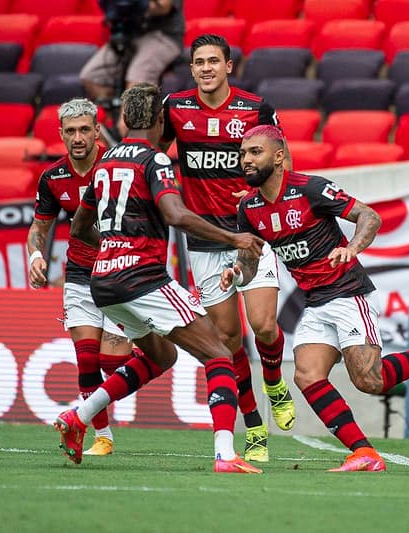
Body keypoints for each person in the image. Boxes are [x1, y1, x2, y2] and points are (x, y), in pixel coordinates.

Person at [221, 125, 409, 471]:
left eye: (255, 152)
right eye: (243, 153)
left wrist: (351, 247)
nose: (246, 159)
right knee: (307, 376)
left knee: (369, 381)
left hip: (346, 293)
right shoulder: (249, 207)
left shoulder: (310, 189)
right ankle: (364, 453)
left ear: (279, 157)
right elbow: (249, 261)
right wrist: (235, 274)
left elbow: (369, 216)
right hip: (313, 302)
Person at [55, 83, 266, 474]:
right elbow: (175, 214)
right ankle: (225, 454)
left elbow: (79, 228)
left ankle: (78, 417)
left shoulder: (106, 161)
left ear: (122, 120)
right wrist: (234, 236)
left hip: (104, 280)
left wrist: (113, 246)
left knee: (162, 355)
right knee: (219, 353)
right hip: (142, 278)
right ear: (158, 121)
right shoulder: (155, 160)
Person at [158, 33, 296, 463]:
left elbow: (283, 161)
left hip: (251, 234)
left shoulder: (256, 109)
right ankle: (254, 427)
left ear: (229, 66)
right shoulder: (175, 108)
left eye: (213, 61)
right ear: (192, 68)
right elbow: (153, 158)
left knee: (265, 327)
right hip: (202, 240)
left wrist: (263, 192)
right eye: (198, 62)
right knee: (228, 342)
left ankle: (274, 380)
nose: (205, 69)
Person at [27, 98, 136, 456]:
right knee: (87, 360)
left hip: (123, 270)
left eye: (85, 129)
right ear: (60, 134)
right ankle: (102, 437)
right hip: (80, 273)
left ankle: (98, 408)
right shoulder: (53, 177)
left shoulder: (119, 165)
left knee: (112, 363)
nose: (78, 137)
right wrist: (36, 256)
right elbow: (39, 228)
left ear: (96, 130)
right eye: (70, 131)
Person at [81, 0, 184, 134]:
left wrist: (140, 5)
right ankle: (115, 120)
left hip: (163, 34)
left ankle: (133, 128)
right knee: (91, 75)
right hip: (128, 34)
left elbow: (163, 7)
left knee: (138, 74)